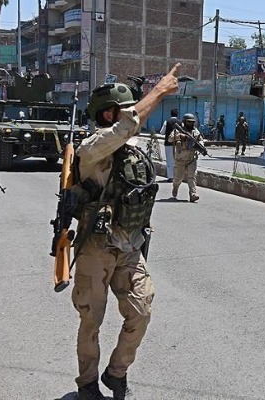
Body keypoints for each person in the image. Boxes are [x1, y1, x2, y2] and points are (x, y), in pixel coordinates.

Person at [71, 63, 180, 400]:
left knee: (141, 311)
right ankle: (88, 383)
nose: (130, 115)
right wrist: (158, 91)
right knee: (91, 321)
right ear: (105, 115)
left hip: (130, 246)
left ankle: (116, 372)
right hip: (96, 248)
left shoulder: (130, 146)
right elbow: (127, 125)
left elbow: (130, 127)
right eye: (120, 111)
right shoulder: (92, 147)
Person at [169, 113, 204, 202]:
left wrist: (201, 145)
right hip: (180, 159)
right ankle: (175, 187)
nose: (191, 124)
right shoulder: (178, 130)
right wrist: (180, 136)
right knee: (178, 178)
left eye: (192, 122)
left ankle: (193, 194)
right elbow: (170, 138)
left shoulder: (195, 131)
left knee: (192, 176)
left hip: (192, 158)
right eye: (189, 122)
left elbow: (201, 140)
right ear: (184, 122)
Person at [160, 108, 179, 182]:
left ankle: (170, 177)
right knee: (177, 160)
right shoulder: (180, 122)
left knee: (169, 160)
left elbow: (162, 132)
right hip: (178, 144)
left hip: (168, 144)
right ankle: (177, 176)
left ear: (171, 114)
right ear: (177, 114)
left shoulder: (167, 122)